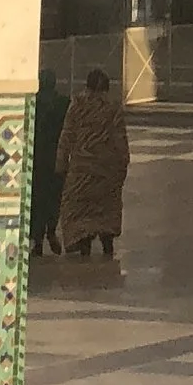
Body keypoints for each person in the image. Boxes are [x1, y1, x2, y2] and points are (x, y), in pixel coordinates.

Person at [55, 68, 128, 257]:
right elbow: (120, 140)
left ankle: (84, 247)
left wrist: (61, 164)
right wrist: (122, 166)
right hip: (106, 169)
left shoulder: (78, 104)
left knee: (81, 211)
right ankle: (107, 246)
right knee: (106, 209)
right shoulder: (112, 107)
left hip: (82, 170)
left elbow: (67, 135)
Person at [27, 66, 71, 258]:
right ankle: (51, 231)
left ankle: (37, 239)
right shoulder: (64, 102)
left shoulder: (32, 103)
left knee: (37, 199)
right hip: (57, 157)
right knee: (54, 198)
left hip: (36, 158)